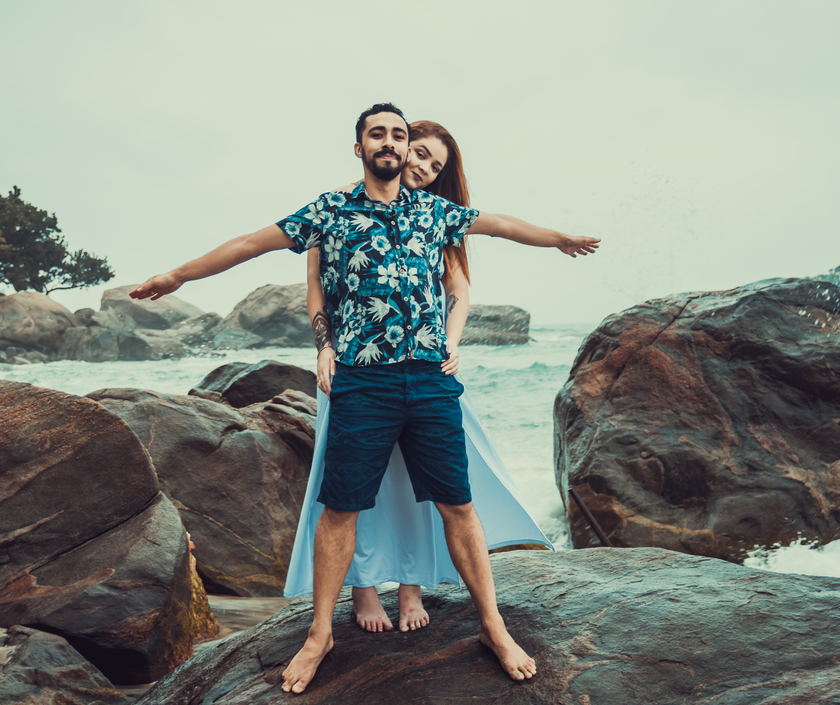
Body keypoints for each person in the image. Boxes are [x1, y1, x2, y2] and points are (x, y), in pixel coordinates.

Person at [131, 103, 599, 695]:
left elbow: (501, 224)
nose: (390, 143)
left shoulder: (435, 212)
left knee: (458, 506)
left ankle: (493, 626)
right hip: (363, 381)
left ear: (405, 148)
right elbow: (251, 243)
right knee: (341, 508)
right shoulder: (329, 210)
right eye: (378, 134)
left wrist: (558, 239)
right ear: (360, 147)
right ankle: (320, 634)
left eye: (399, 135)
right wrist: (178, 276)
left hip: (429, 379)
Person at [284, 119, 578, 634]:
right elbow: (316, 285)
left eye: (434, 164)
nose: (421, 166)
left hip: (423, 366)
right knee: (353, 491)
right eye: (418, 152)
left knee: (418, 486)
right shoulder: (337, 206)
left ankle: (413, 583)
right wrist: (324, 347)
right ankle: (363, 589)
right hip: (351, 364)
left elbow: (459, 288)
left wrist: (451, 341)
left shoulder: (433, 217)